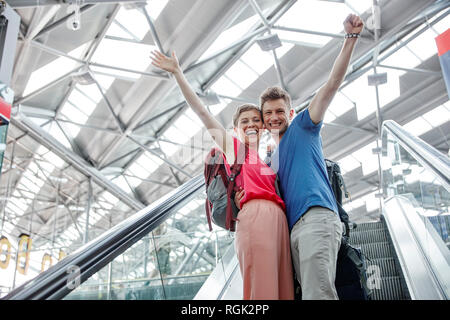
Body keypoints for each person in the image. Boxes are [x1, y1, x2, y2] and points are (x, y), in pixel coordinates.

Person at [150, 50, 294, 300]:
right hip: (256, 216)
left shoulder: (268, 158)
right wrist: (178, 74)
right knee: (262, 289)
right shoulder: (234, 149)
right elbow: (203, 114)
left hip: (279, 220)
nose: (251, 124)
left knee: (284, 290)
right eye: (245, 121)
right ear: (235, 129)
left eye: (256, 120)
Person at [258, 14, 364, 300]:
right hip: (293, 230)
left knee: (318, 295)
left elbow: (331, 85)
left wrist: (350, 39)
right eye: (268, 113)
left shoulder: (304, 125)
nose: (274, 116)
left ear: (290, 113)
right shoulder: (270, 161)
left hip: (316, 217)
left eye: (280, 110)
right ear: (263, 120)